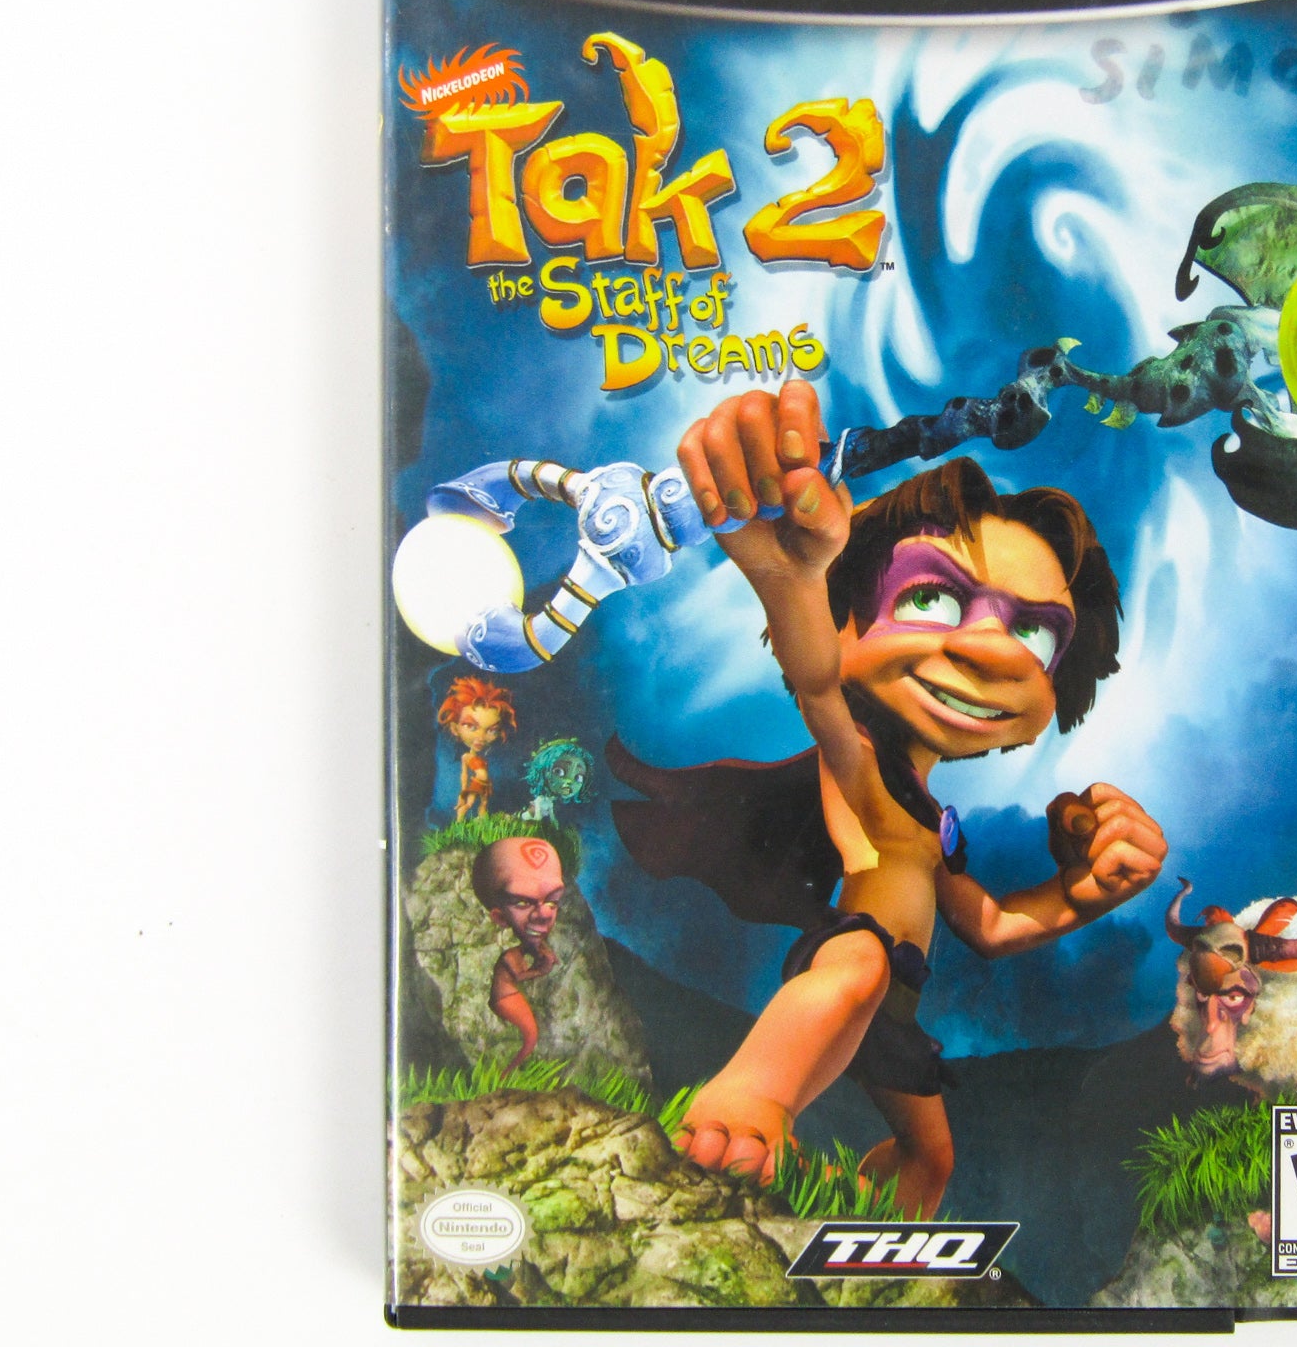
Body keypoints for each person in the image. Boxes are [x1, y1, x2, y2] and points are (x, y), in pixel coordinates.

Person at [610, 381, 1165, 1218]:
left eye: (1033, 632)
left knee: (929, 1154)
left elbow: (990, 927)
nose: (989, 650)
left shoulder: (934, 822)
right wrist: (788, 577)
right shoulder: (858, 755)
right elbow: (817, 684)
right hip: (853, 954)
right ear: (847, 616)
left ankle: (867, 1239)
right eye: (931, 597)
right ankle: (746, 1098)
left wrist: (1086, 895)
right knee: (858, 969)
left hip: (897, 1000)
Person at [470, 835, 566, 1070]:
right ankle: (505, 1076)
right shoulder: (509, 956)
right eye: (522, 903)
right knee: (529, 1037)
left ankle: (507, 1075)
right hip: (504, 999)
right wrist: (539, 971)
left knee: (530, 1037)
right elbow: (518, 975)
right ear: (499, 917)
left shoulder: (528, 946)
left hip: (510, 997)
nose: (545, 914)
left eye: (552, 902)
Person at [439, 676, 516, 822]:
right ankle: (459, 822)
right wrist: (462, 792)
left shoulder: (481, 757)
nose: (481, 737)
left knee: (483, 805)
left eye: (492, 730)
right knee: (469, 804)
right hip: (476, 783)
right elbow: (464, 775)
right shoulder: (467, 757)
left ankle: (483, 823)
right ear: (455, 728)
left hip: (486, 784)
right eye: (471, 726)